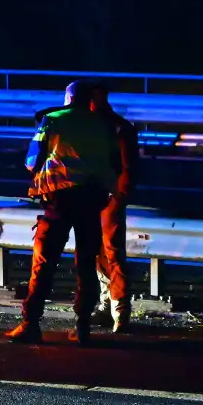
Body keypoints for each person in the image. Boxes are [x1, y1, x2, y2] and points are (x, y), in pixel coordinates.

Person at [7, 80, 120, 345]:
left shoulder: (51, 120)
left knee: (44, 263)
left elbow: (31, 162)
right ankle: (82, 326)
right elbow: (115, 163)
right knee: (86, 264)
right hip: (91, 200)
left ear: (67, 98)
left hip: (57, 201)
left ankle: (30, 324)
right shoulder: (103, 125)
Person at [31, 81, 139, 334]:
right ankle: (103, 310)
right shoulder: (107, 125)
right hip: (99, 195)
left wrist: (117, 195)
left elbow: (122, 165)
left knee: (103, 253)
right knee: (96, 256)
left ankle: (115, 310)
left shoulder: (107, 126)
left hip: (94, 196)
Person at [89, 81, 139, 333]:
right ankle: (107, 304)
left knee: (111, 250)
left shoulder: (117, 128)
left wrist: (117, 196)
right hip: (92, 195)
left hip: (107, 197)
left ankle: (119, 309)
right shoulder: (98, 125)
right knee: (98, 251)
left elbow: (128, 168)